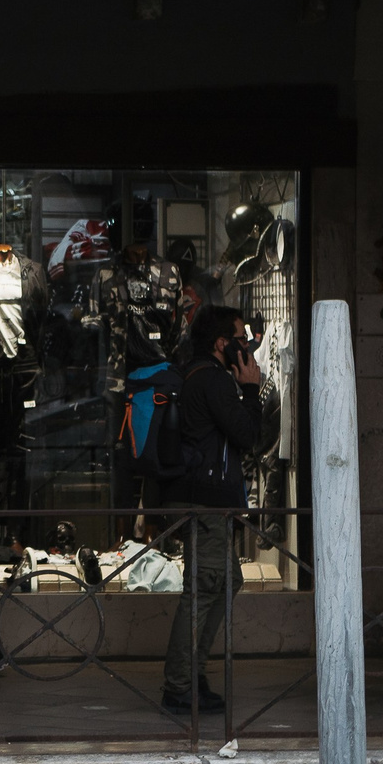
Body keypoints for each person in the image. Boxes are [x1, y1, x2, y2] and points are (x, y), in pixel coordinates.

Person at [161, 306, 264, 717]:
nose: (247, 345)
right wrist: (253, 389)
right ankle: (180, 685)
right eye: (240, 338)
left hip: (203, 500)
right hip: (202, 501)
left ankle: (192, 674)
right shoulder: (213, 380)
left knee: (225, 581)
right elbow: (248, 434)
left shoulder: (198, 375)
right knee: (204, 589)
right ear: (222, 344)